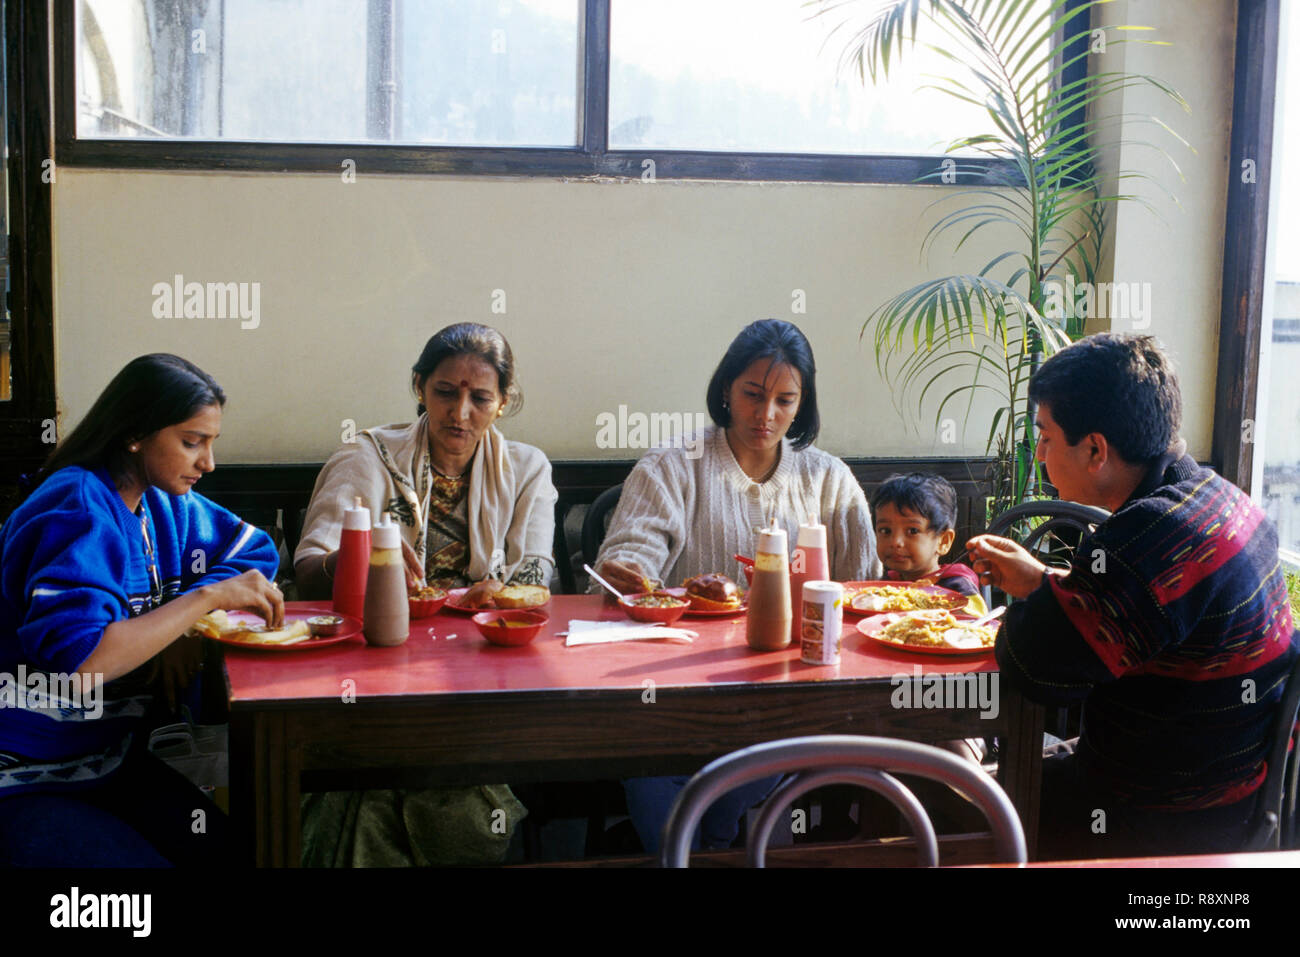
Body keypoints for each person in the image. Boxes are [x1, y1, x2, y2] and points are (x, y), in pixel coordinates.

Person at [967, 333, 1297, 859]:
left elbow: (1035, 670)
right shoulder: (1218, 496)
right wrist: (1038, 583)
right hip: (1237, 791)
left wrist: (1033, 604)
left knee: (942, 804)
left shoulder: (1150, 534)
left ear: (1096, 449)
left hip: (1161, 817)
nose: (1044, 459)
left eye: (1047, 439)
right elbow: (1107, 619)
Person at [594, 318, 881, 855]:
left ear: (803, 404)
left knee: (731, 792)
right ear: (726, 388)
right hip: (674, 692)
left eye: (784, 399)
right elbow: (630, 554)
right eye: (752, 394)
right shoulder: (673, 465)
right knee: (655, 781)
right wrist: (625, 573)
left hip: (788, 696)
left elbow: (864, 590)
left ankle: (717, 841)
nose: (766, 414)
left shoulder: (828, 479)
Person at [0, 354, 283, 866]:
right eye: (192, 442)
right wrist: (204, 601)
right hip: (22, 773)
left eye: (211, 443)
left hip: (106, 760)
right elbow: (82, 661)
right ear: (134, 434)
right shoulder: (77, 505)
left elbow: (254, 552)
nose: (208, 463)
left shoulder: (162, 502)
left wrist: (182, 630)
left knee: (238, 856)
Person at [294, 322, 556, 865]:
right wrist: (354, 561)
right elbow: (307, 571)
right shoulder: (367, 458)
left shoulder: (527, 469)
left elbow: (536, 576)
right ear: (419, 387)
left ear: (502, 403)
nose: (460, 413)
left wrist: (503, 591)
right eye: (445, 392)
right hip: (372, 663)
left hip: (478, 673)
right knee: (373, 777)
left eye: (480, 398)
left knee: (392, 778)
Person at [871, 473, 980, 596]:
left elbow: (977, 616)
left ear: (943, 541)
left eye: (913, 531)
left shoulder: (958, 586)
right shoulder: (886, 584)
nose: (896, 542)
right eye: (885, 530)